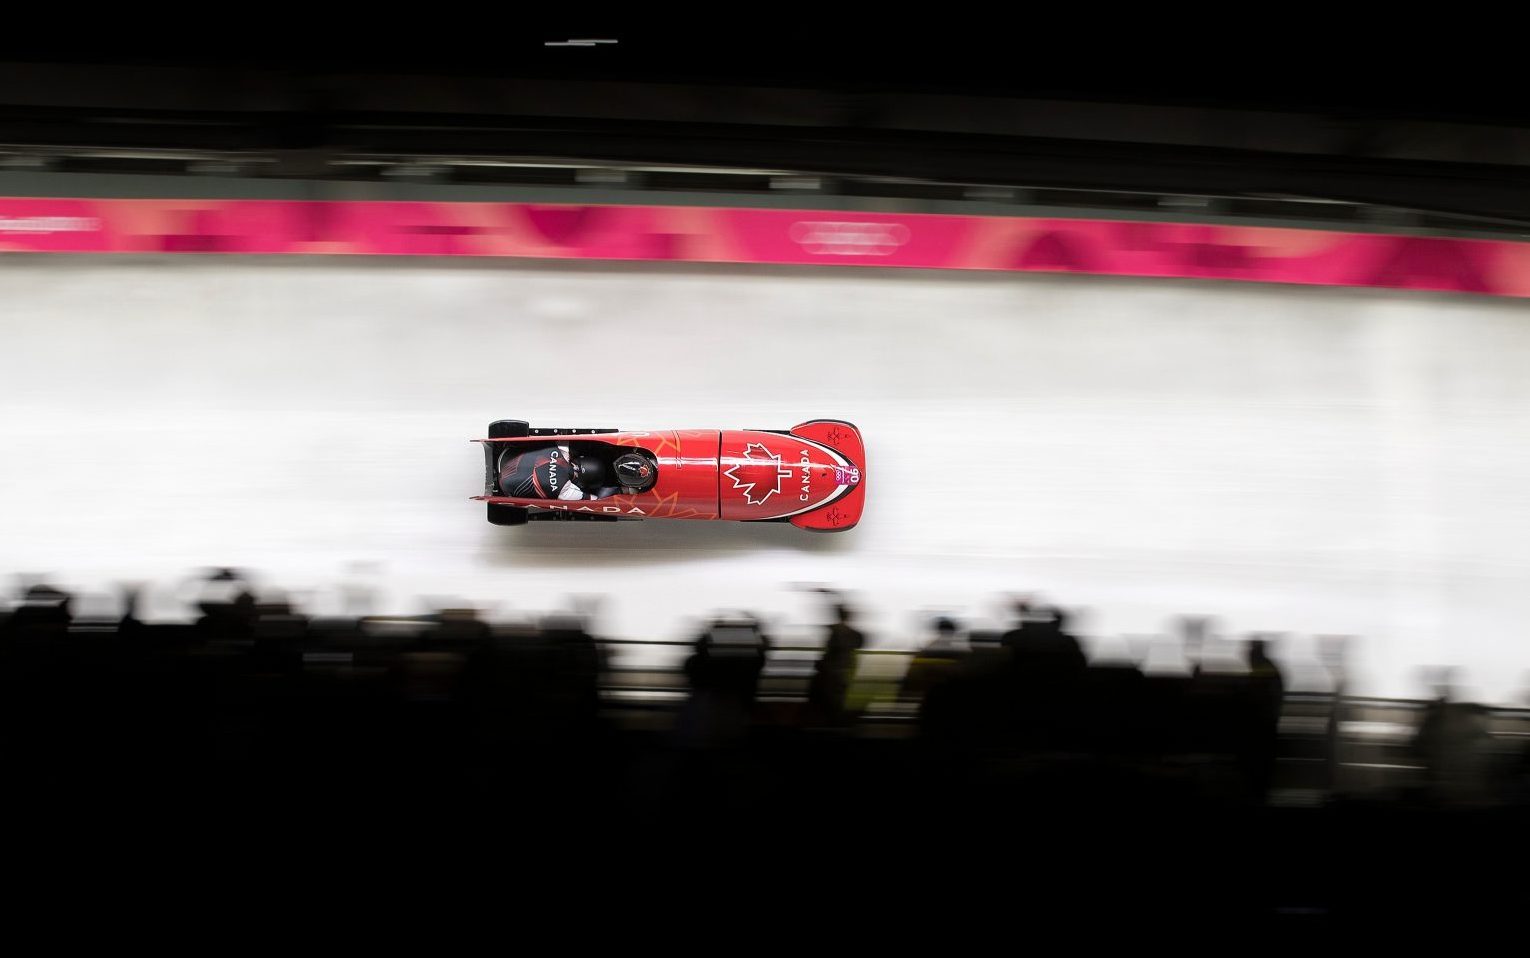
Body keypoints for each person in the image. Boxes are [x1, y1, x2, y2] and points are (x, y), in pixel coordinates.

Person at [497, 446, 657, 500]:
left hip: (508, 456)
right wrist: (623, 492)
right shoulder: (567, 491)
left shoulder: (562, 452)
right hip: (508, 489)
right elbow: (595, 501)